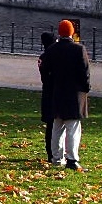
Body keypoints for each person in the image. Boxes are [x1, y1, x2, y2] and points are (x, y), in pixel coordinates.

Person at [39, 19, 91, 171]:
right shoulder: (79, 49)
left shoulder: (52, 50)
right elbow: (85, 72)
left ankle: (56, 158)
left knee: (57, 126)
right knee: (73, 127)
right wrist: (86, 88)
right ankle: (72, 159)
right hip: (74, 94)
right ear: (71, 33)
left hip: (57, 92)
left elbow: (44, 69)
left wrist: (51, 83)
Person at [37, 31, 57, 163]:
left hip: (47, 93)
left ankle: (50, 153)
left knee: (50, 126)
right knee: (56, 125)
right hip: (55, 94)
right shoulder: (53, 56)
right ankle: (55, 153)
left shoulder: (43, 57)